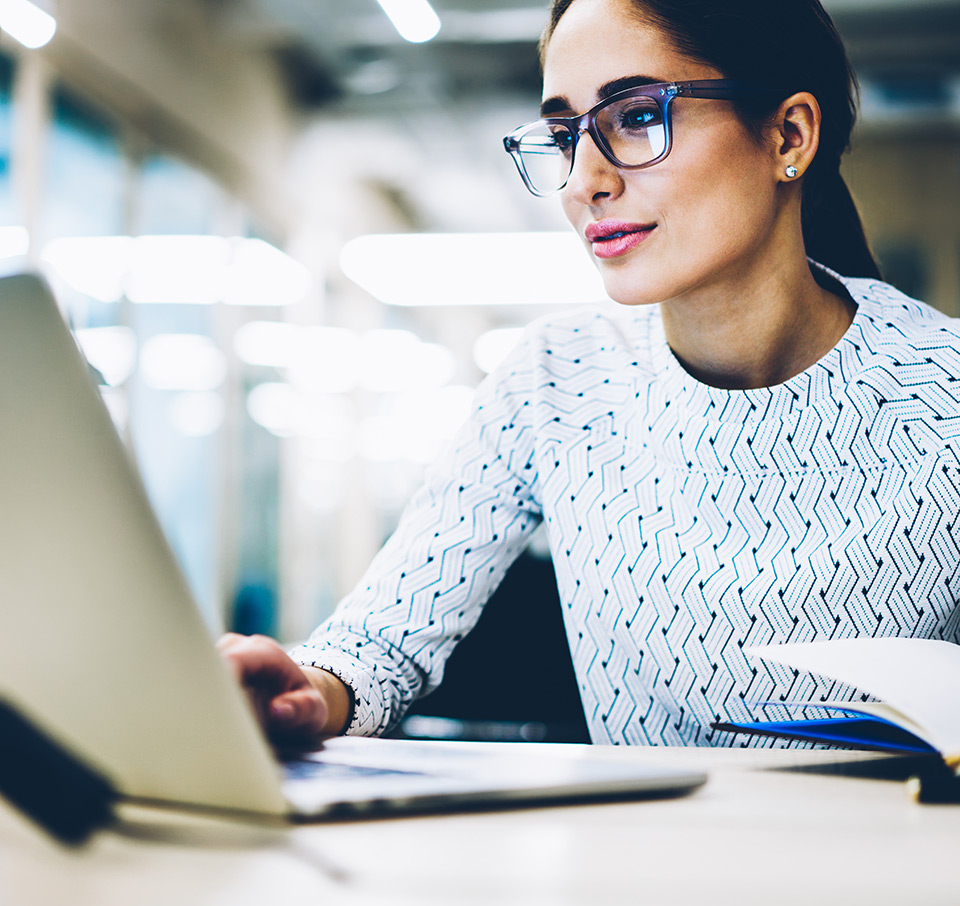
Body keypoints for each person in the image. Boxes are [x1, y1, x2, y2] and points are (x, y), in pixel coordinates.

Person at [219, 0, 960, 749]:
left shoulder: (946, 393)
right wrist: (305, 691)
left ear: (787, 134)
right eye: (567, 134)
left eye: (637, 115)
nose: (583, 182)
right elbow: (379, 647)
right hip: (635, 865)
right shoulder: (554, 381)